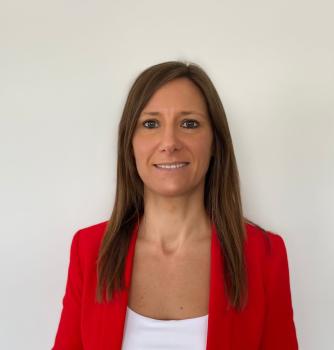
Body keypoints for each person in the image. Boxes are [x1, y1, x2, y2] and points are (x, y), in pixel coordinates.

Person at [52, 61, 299, 349]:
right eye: (150, 124)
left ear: (215, 142)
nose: (169, 142)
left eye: (189, 123)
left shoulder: (263, 255)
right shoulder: (91, 250)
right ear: (129, 143)